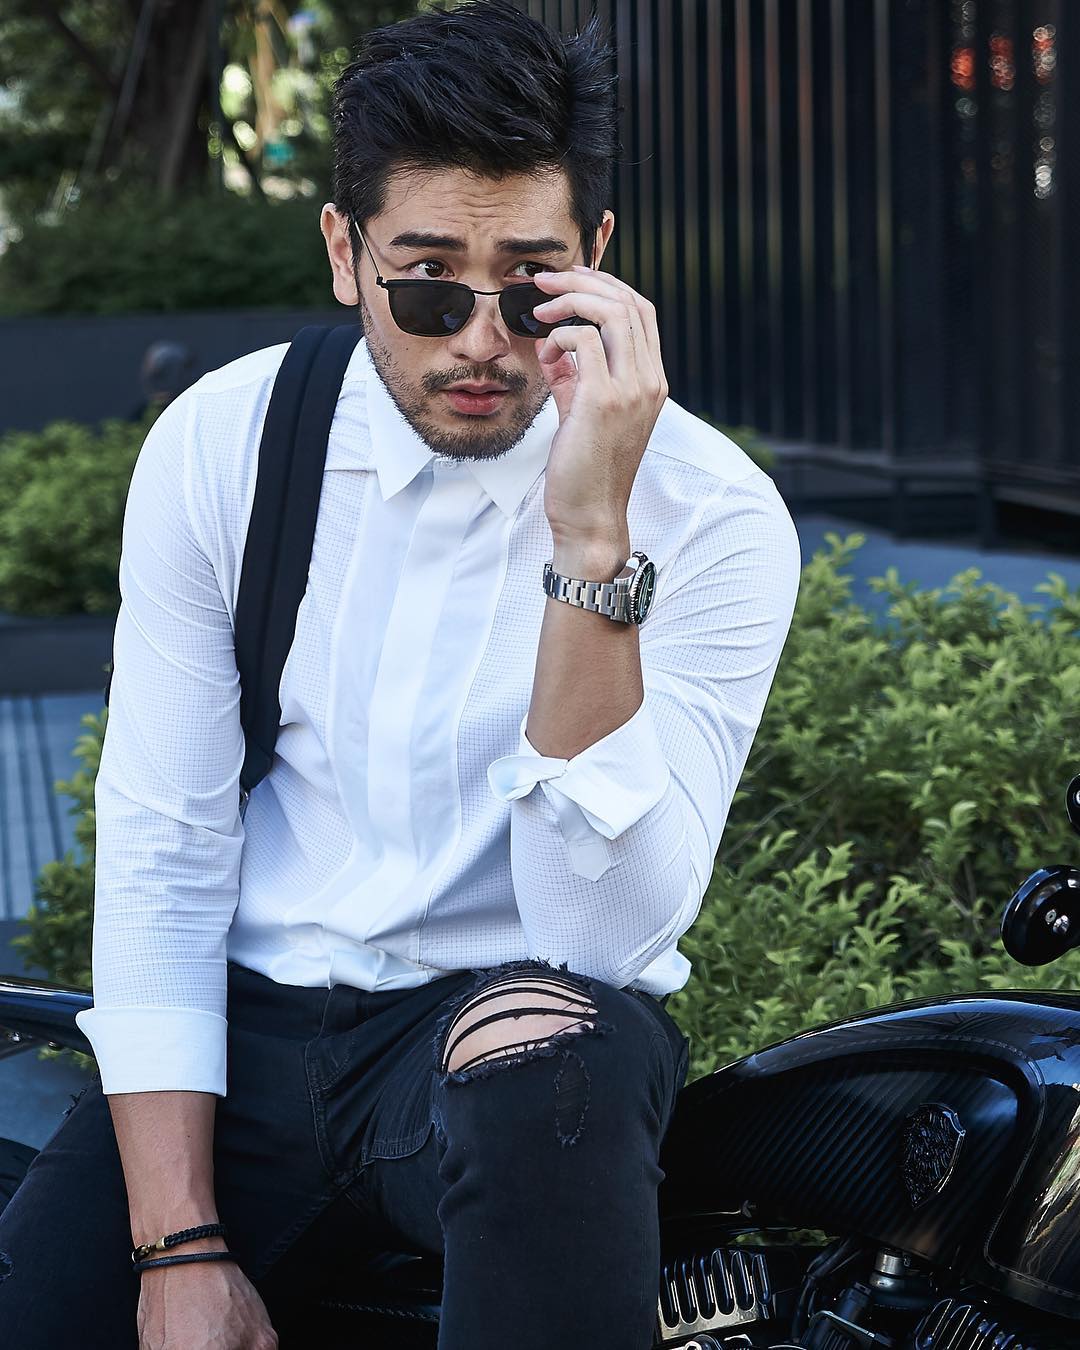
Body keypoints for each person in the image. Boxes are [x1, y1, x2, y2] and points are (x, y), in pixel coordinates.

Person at [0, 3, 801, 1346]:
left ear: (598, 259)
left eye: (531, 288)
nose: (480, 341)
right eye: (428, 284)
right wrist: (177, 1246)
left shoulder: (711, 512)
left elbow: (598, 942)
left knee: (564, 1061)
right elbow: (166, 846)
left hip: (502, 1041)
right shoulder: (227, 445)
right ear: (344, 254)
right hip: (252, 1036)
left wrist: (591, 539)